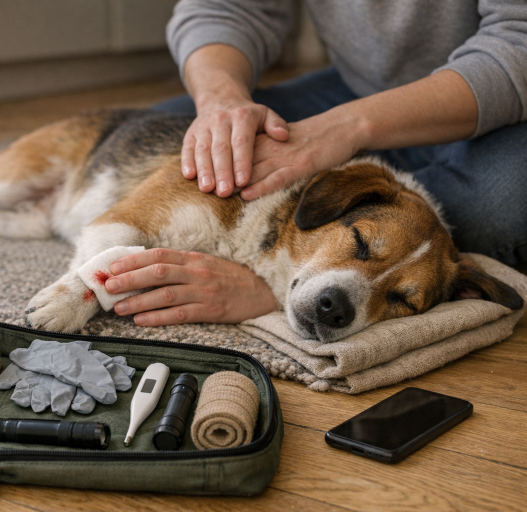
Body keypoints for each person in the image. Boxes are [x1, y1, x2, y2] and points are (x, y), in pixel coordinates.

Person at [102, 0, 527, 328]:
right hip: (358, 84)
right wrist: (222, 102)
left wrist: (346, 129)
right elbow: (226, 7)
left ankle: (272, 279)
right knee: (179, 134)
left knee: (497, 209)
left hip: (507, 109)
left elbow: (519, 39)